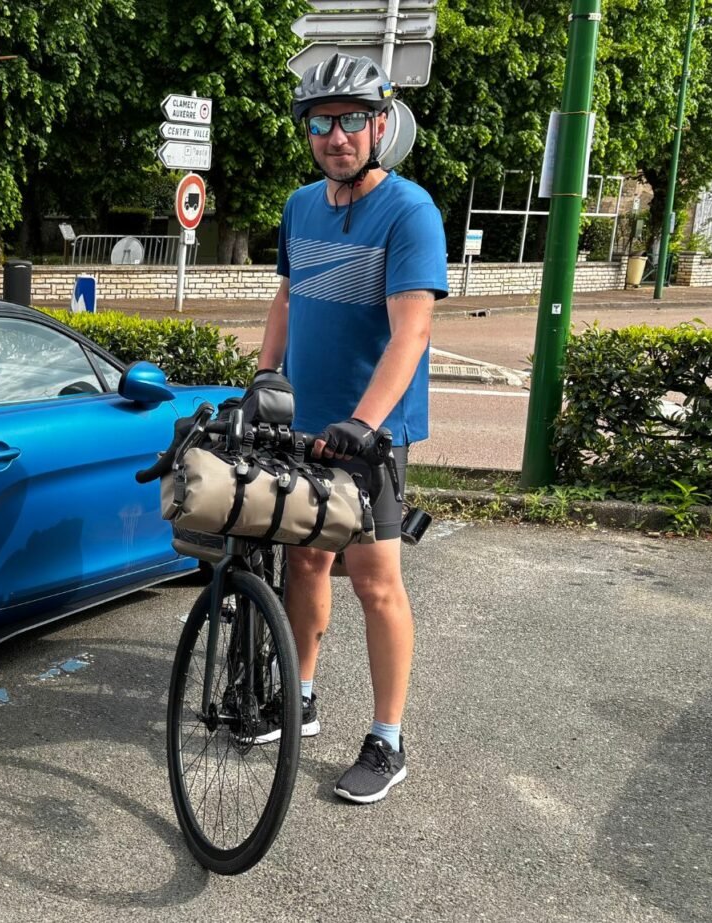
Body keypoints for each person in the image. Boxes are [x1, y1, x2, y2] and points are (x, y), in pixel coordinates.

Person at [251, 52, 446, 804]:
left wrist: (364, 423)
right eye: (322, 122)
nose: (337, 136)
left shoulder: (410, 213)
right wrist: (265, 379)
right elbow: (288, 299)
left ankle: (387, 739)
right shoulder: (301, 206)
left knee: (375, 582)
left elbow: (411, 334)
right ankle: (298, 694)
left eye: (353, 120)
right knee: (305, 564)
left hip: (372, 434)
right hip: (303, 423)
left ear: (382, 123)